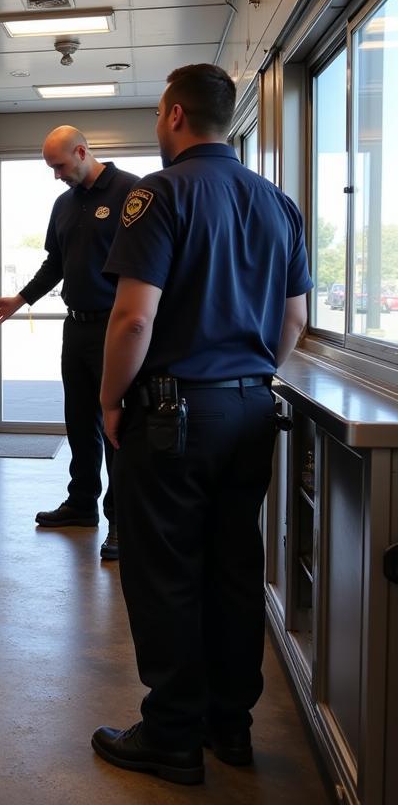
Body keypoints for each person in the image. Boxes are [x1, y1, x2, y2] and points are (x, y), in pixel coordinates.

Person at [92, 64, 310, 785]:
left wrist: (110, 401)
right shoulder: (279, 203)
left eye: (160, 115)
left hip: (172, 415)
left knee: (167, 575)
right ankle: (230, 726)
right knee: (234, 569)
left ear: (175, 114)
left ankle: (173, 735)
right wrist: (247, 378)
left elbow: (133, 317)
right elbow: (294, 319)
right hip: (251, 410)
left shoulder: (161, 194)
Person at [0, 126, 137, 560]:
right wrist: (21, 298)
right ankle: (82, 503)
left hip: (116, 325)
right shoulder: (64, 204)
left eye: (60, 166)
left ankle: (120, 522)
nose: (56, 175)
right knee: (80, 420)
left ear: (82, 151)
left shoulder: (132, 192)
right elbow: (57, 262)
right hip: (77, 327)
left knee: (117, 427)